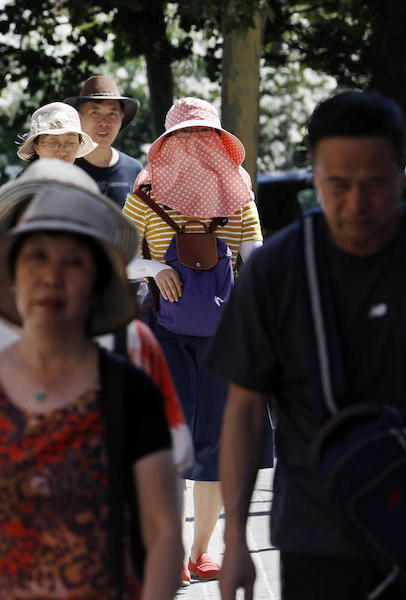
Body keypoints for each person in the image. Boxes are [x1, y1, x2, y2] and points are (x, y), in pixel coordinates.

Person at [208, 91, 406, 600]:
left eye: (375, 185)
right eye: (337, 185)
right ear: (314, 173)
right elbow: (244, 412)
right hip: (317, 541)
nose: (356, 204)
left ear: (402, 172)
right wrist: (235, 544)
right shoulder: (276, 272)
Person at [0, 167, 183, 600]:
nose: (52, 275)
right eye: (36, 256)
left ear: (97, 281)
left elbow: (163, 531)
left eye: (73, 261)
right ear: (12, 274)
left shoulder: (131, 392)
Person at [0, 159, 194, 497]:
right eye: (36, 253)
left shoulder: (131, 341)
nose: (52, 274)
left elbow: (171, 450)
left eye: (72, 254)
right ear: (11, 257)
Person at [122, 97, 267, 585]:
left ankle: (200, 553)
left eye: (202, 136)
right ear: (168, 143)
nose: (194, 145)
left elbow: (256, 263)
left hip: (222, 338)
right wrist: (155, 267)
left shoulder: (239, 194)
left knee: (213, 444)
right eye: (184, 136)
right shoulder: (143, 194)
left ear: (217, 140)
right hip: (163, 330)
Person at [65, 75, 143, 209]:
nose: (104, 122)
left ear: (121, 118)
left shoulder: (135, 171)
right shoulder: (64, 169)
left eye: (112, 114)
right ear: (79, 117)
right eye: (95, 113)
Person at [16, 101, 96, 164]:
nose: (62, 151)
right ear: (37, 147)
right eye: (52, 143)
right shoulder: (26, 184)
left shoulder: (84, 183)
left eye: (70, 143)